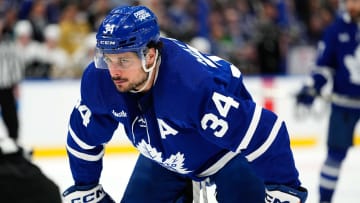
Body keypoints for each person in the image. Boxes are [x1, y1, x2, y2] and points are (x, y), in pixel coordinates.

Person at [63, 5, 308, 203]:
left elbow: (265, 132)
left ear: (150, 56)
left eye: (124, 61)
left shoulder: (192, 86)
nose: (113, 71)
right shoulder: (100, 79)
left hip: (226, 154)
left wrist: (284, 188)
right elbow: (83, 135)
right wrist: (87, 186)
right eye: (108, 59)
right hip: (164, 158)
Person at [296, 0, 360, 202]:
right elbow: (324, 66)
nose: (353, 4)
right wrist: (312, 87)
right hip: (344, 105)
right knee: (335, 156)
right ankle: (325, 200)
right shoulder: (336, 30)